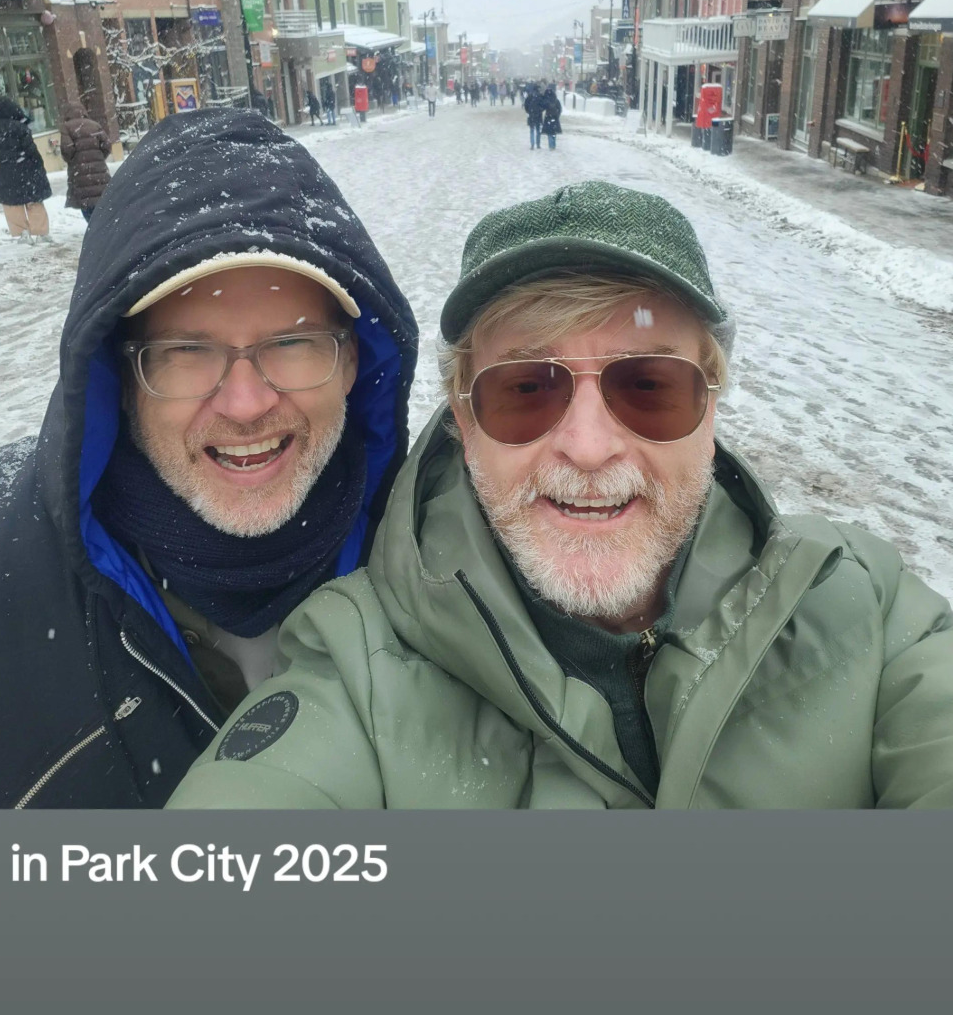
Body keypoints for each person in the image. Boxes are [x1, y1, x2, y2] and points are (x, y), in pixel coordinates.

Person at [169, 180, 952, 812]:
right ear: (463, 420)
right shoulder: (360, 672)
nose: (587, 446)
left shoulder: (869, 613)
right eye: (524, 389)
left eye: (649, 384)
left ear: (712, 403)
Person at [0, 108, 418, 808]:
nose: (246, 403)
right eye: (186, 352)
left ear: (354, 364)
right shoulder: (2, 581)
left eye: (293, 342)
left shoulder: (444, 563)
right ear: (120, 379)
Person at [0, 93, 53, 244]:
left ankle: (21, 233)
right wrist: (38, 165)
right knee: (34, 201)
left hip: (4, 170)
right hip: (27, 168)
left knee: (12, 203)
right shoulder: (19, 127)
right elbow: (31, 150)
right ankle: (41, 233)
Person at [59, 102, 113, 225]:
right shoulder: (95, 125)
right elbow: (107, 145)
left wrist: (75, 160)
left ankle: (92, 226)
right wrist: (98, 158)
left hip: (80, 172)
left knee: (86, 201)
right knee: (100, 198)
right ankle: (103, 224)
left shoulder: (66, 127)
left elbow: (67, 150)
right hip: (99, 170)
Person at [542, 84, 562, 151]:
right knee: (554, 132)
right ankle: (553, 145)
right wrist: (557, 115)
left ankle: (551, 145)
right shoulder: (556, 100)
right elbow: (559, 109)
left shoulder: (546, 100)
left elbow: (543, 107)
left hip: (548, 117)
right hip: (554, 118)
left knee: (549, 133)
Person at [523, 83, 543, 150]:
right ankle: (538, 144)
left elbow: (526, 105)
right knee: (538, 130)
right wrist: (540, 110)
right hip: (538, 115)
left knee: (532, 130)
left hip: (531, 115)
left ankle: (532, 144)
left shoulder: (530, 96)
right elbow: (543, 105)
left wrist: (529, 111)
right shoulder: (540, 96)